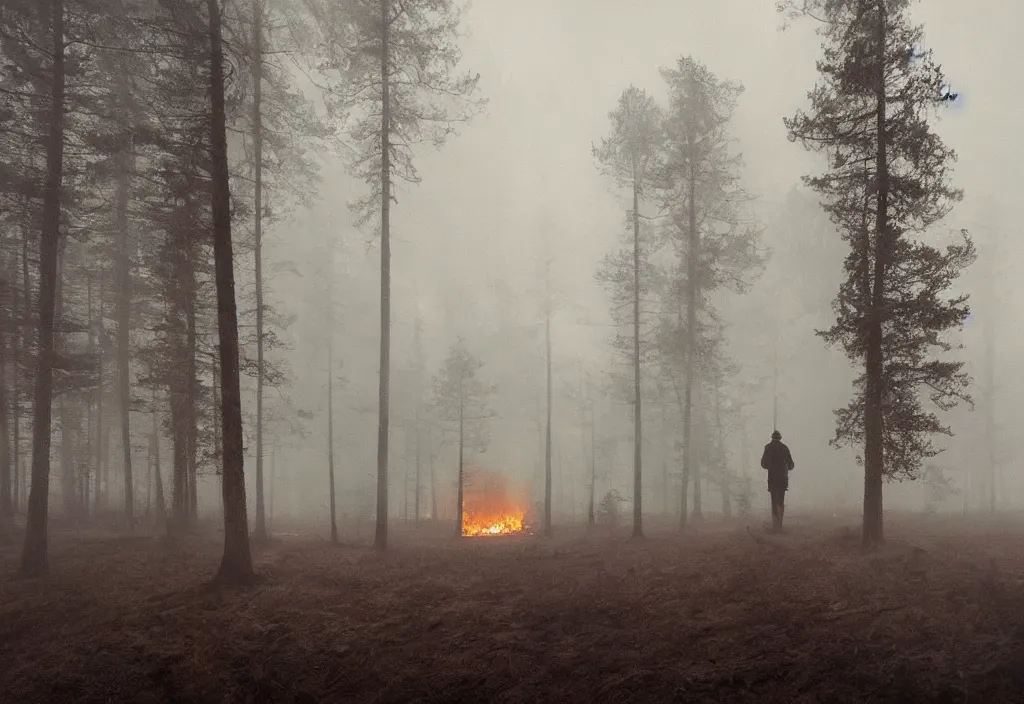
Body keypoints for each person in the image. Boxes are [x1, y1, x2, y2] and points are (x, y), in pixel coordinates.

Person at [760, 429, 795, 532]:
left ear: (772, 438)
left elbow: (763, 464)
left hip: (772, 478)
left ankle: (775, 525)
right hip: (783, 478)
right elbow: (791, 465)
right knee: (781, 500)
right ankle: (779, 525)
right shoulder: (784, 448)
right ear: (780, 438)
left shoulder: (768, 447)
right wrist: (784, 467)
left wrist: (771, 466)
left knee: (773, 501)